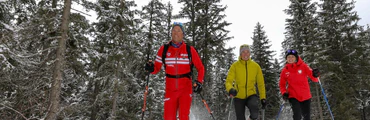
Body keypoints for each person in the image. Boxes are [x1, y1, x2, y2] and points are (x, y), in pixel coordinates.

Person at [145, 22, 205, 120]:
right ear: (171, 33)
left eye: (178, 31)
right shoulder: (164, 49)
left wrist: (199, 82)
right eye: (174, 30)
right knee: (168, 117)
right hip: (170, 89)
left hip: (185, 89)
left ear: (183, 34)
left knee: (183, 117)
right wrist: (150, 68)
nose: (176, 33)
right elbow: (156, 68)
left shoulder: (189, 50)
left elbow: (200, 67)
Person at [225, 44, 266, 120]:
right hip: (238, 96)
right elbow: (228, 81)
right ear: (240, 54)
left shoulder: (256, 66)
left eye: (247, 52)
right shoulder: (235, 66)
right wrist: (230, 89)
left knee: (255, 113)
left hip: (251, 94)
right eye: (243, 52)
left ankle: (250, 118)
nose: (245, 54)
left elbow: (260, 84)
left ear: (250, 53)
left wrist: (263, 97)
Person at [279, 49, 320, 120]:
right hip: (293, 96)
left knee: (306, 117)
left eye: (292, 57)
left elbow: (314, 79)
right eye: (288, 57)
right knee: (297, 116)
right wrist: (284, 93)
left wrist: (316, 74)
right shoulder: (285, 71)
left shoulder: (303, 66)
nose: (290, 59)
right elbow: (282, 84)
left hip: (305, 96)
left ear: (296, 57)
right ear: (286, 59)